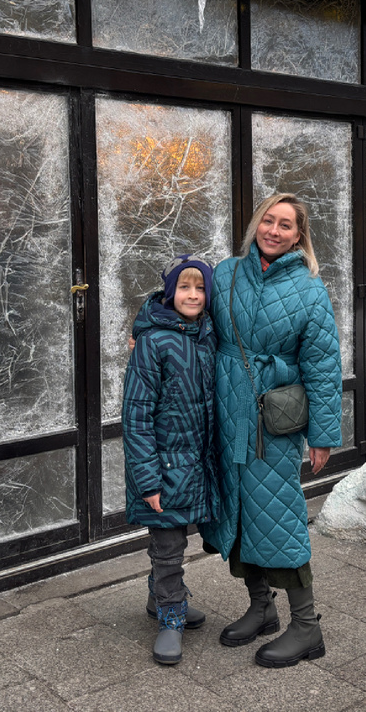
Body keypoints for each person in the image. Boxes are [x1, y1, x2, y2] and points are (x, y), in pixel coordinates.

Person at [201, 193, 342, 668]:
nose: (274, 230)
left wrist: (323, 434)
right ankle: (261, 607)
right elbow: (188, 314)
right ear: (256, 222)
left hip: (272, 422)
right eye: (269, 220)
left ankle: (307, 627)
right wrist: (147, 326)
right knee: (237, 511)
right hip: (225, 413)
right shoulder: (226, 273)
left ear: (299, 236)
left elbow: (322, 366)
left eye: (286, 225)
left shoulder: (309, 289)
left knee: (278, 515)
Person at [121, 253, 219, 666]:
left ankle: (156, 596)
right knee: (169, 546)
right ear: (169, 291)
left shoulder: (209, 336)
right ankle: (170, 617)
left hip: (196, 464)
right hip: (161, 467)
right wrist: (148, 480)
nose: (192, 294)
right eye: (184, 286)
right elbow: (136, 414)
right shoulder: (153, 342)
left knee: (180, 539)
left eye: (200, 287)